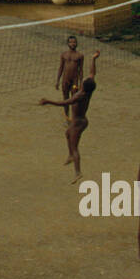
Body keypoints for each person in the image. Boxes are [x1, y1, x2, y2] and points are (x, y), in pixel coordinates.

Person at [40, 49, 99, 181]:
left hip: (79, 122)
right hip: (78, 120)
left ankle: (78, 172)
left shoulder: (80, 96)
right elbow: (92, 73)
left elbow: (64, 102)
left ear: (83, 85)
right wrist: (94, 59)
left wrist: (48, 101)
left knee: (75, 146)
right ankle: (71, 156)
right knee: (67, 134)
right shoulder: (89, 89)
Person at [55, 36, 85, 119]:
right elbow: (61, 68)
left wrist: (81, 82)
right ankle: (67, 116)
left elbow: (81, 70)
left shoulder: (80, 56)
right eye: (71, 42)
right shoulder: (64, 55)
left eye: (74, 42)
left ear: (77, 43)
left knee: (74, 99)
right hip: (65, 80)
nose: (73, 44)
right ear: (68, 43)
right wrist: (57, 81)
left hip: (74, 81)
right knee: (65, 98)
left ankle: (74, 117)